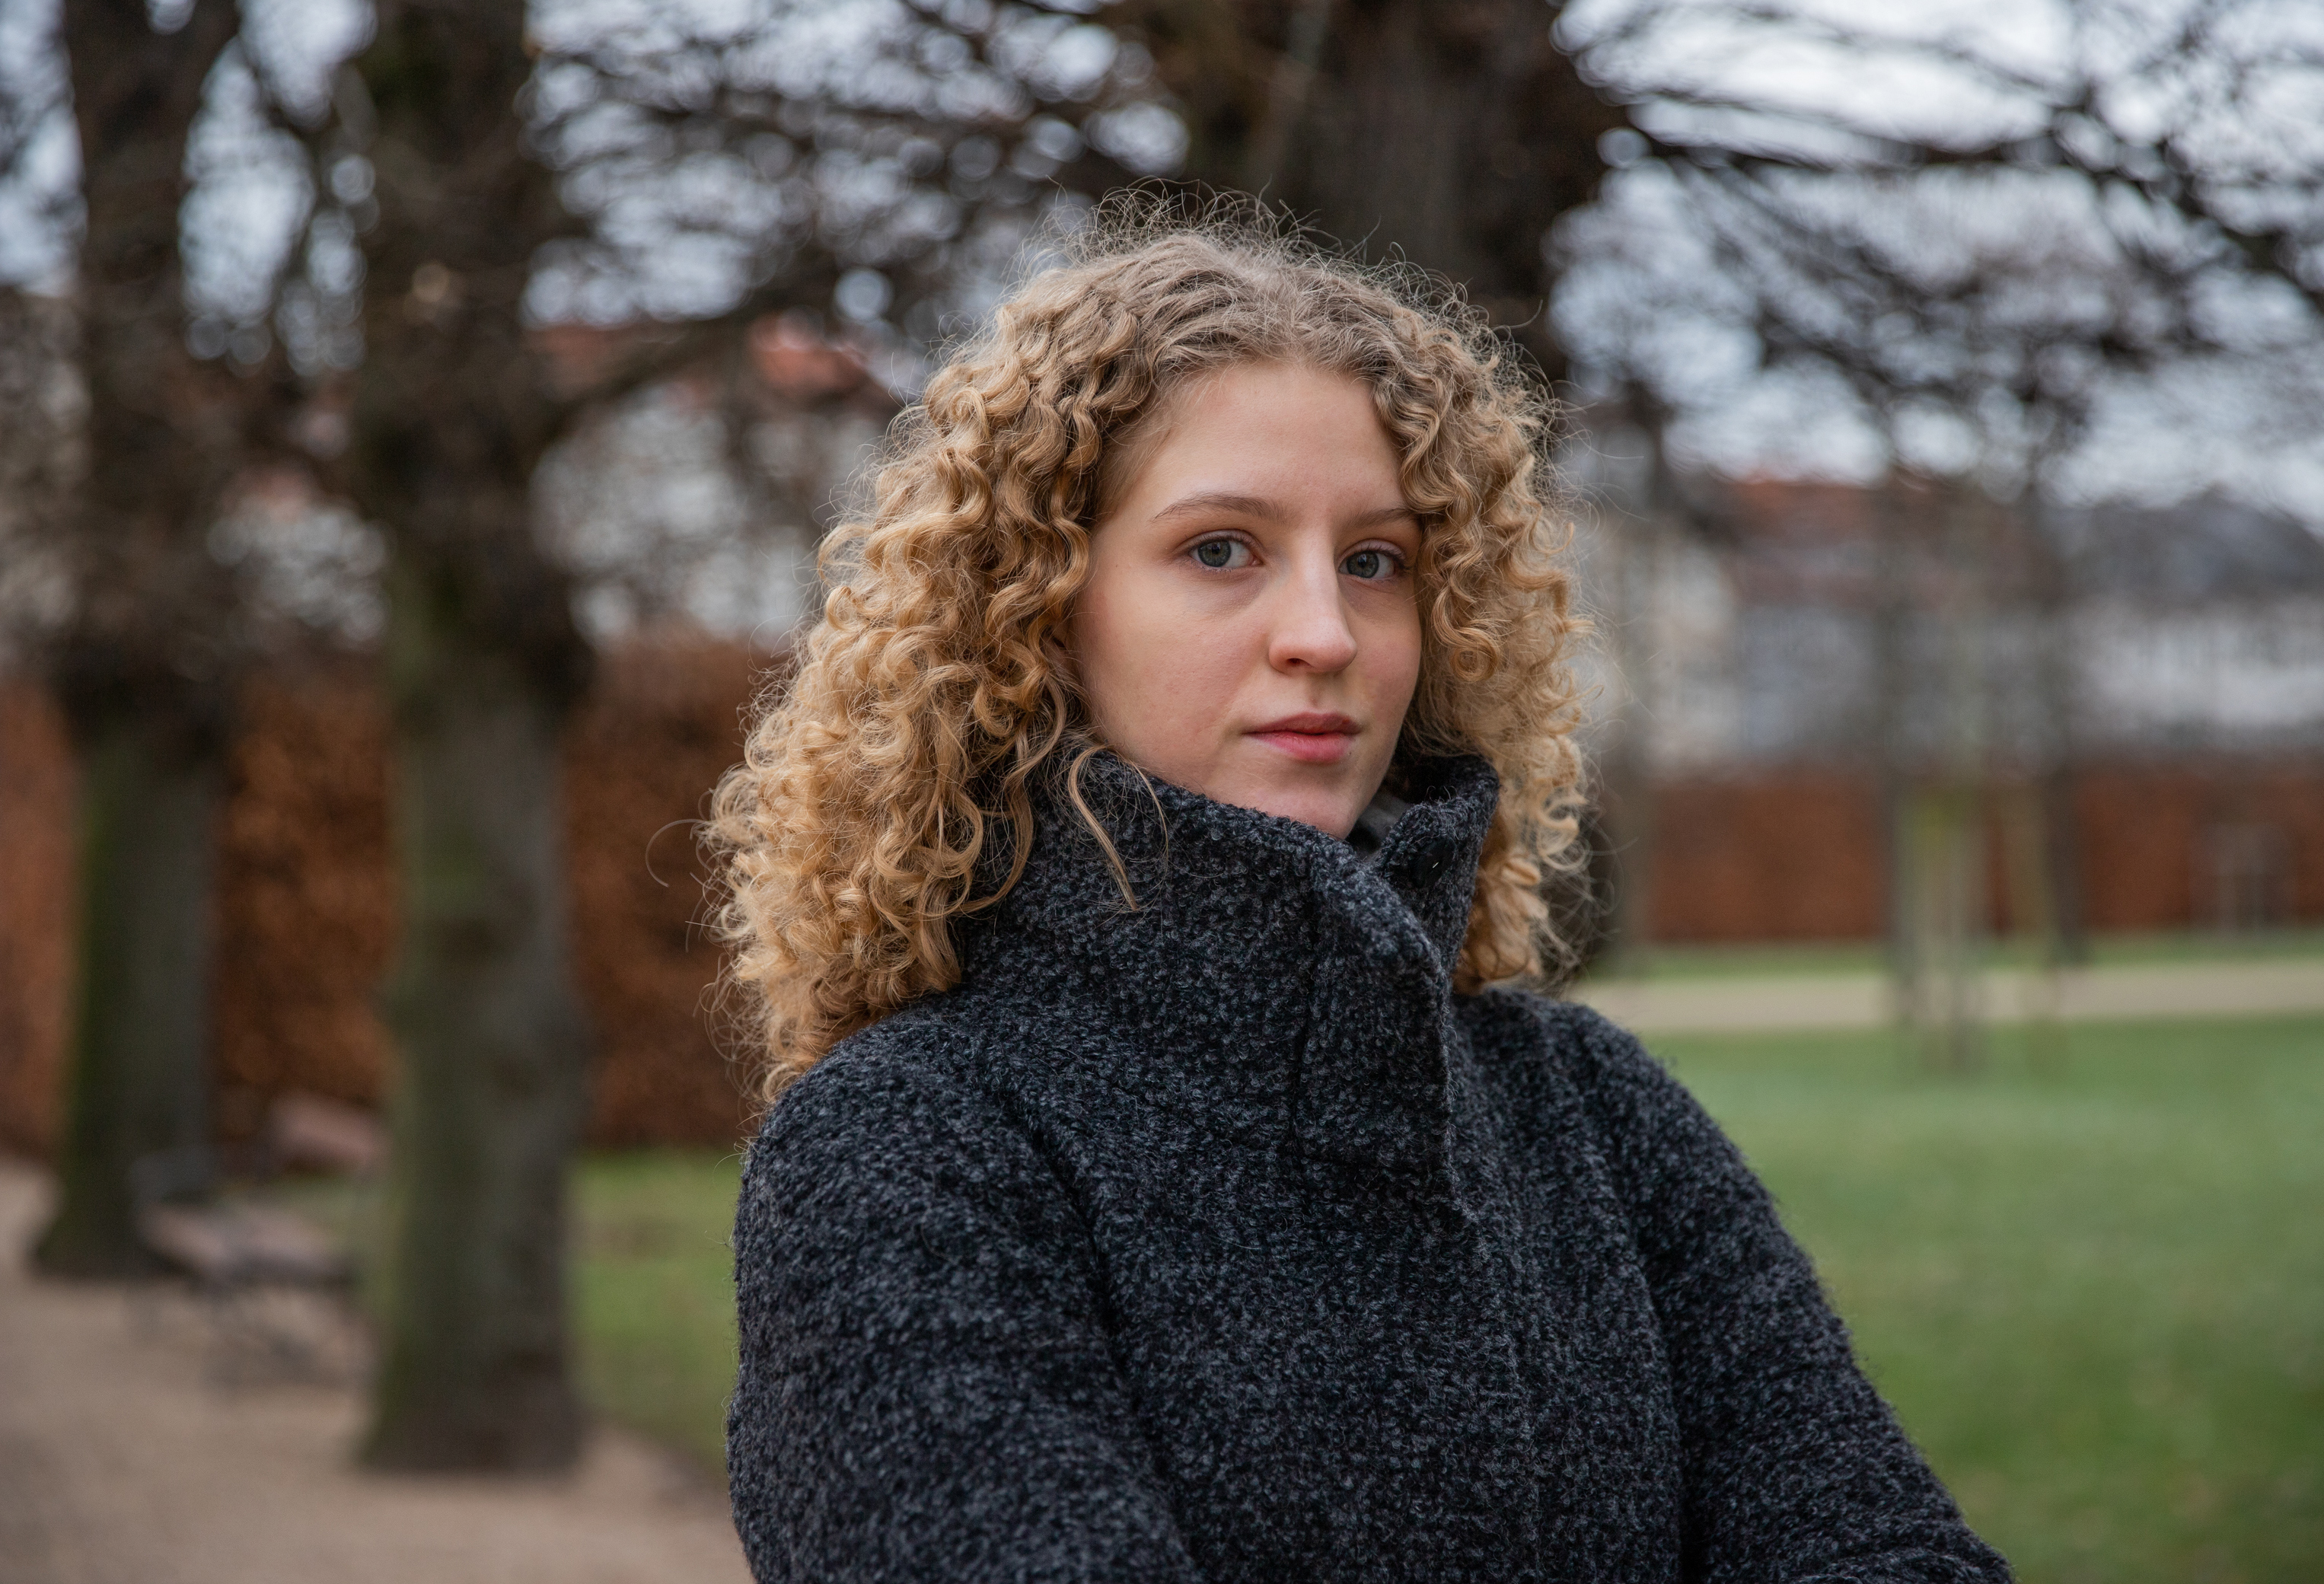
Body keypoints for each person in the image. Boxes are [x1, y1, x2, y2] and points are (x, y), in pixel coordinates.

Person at [708, 207, 2009, 1583]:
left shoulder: (1586, 1109)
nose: (1325, 633)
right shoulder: (908, 1146)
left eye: (1375, 561)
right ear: (1039, 616)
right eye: (1222, 549)